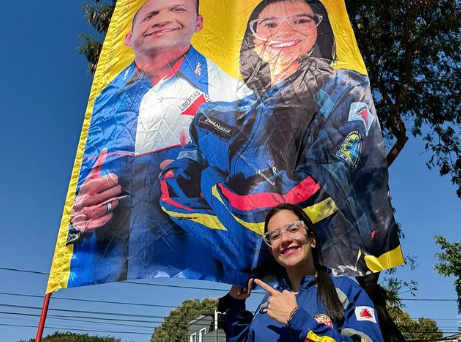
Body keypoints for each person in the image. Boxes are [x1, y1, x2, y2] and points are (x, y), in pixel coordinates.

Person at [159, 0, 401, 286]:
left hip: (335, 279)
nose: (284, 31)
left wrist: (211, 179)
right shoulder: (216, 115)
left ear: (318, 30)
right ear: (254, 39)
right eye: (270, 24)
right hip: (267, 297)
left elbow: (293, 205)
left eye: (301, 21)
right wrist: (237, 196)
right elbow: (170, 191)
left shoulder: (344, 89)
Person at [66, 0, 250, 286]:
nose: (162, 18)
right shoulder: (103, 101)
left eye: (178, 9)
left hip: (199, 270)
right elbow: (85, 194)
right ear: (128, 38)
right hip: (104, 269)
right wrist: (81, 213)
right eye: (150, 14)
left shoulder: (229, 89)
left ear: (198, 23)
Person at [220, 203, 385, 342]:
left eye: (293, 229)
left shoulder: (345, 290)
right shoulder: (268, 303)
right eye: (275, 236)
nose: (285, 239)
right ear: (272, 252)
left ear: (312, 239)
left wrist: (296, 318)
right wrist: (236, 305)